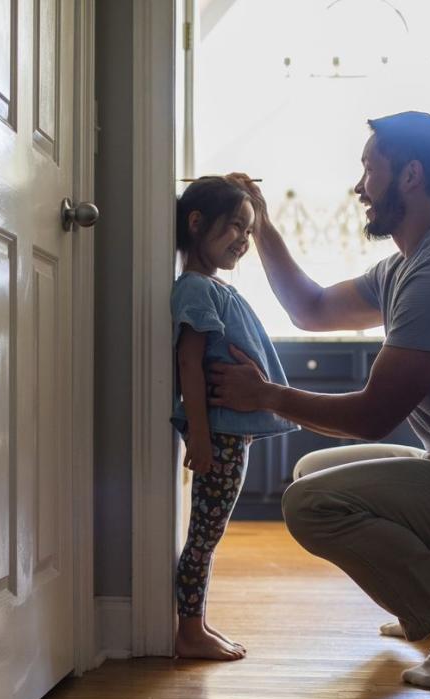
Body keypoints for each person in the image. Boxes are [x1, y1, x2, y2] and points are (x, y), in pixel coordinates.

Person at [210, 112, 430, 687]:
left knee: (309, 503)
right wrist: (264, 227)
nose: (360, 186)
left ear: (411, 176)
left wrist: (266, 395)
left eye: (371, 168)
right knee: (312, 470)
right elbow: (312, 309)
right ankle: (421, 606)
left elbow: (373, 416)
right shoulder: (405, 266)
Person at [171, 176, 298, 661]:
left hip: (228, 434)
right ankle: (190, 630)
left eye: (250, 230)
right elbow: (189, 363)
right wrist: (200, 437)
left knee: (209, 533)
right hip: (219, 435)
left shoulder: (211, 288)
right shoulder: (196, 290)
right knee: (204, 537)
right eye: (236, 228)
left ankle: (196, 623)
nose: (244, 240)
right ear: (198, 223)